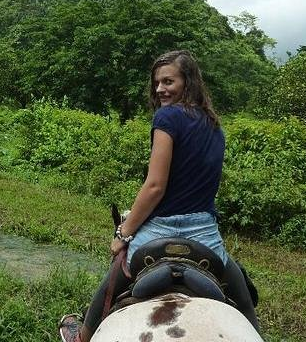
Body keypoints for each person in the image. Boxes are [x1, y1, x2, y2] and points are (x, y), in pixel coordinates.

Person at [59, 50, 259, 342]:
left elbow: (155, 187)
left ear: (188, 82)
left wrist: (124, 233)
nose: (160, 89)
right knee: (238, 286)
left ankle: (83, 335)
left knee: (114, 278)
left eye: (168, 81)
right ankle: (255, 330)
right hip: (204, 233)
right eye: (157, 82)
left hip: (160, 228)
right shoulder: (215, 127)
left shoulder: (166, 117)